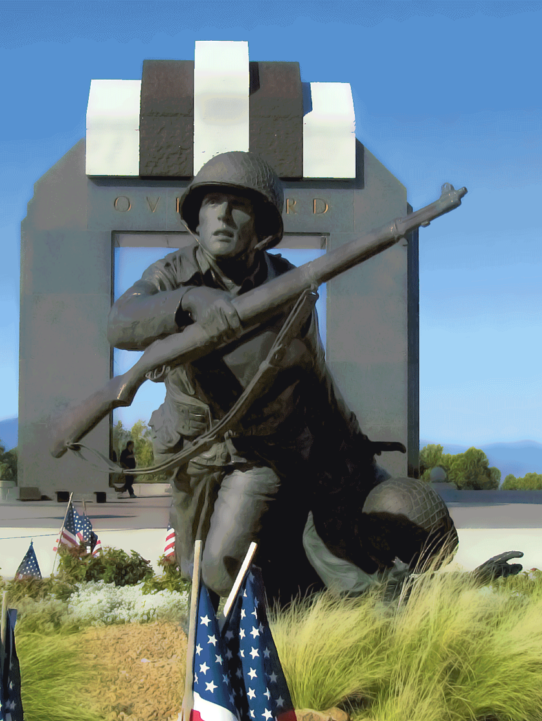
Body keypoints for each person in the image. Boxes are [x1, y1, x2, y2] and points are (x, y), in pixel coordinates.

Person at [106, 151, 382, 601]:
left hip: (259, 451)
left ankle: (252, 648)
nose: (223, 215)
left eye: (240, 206)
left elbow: (315, 371)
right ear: (196, 215)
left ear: (263, 227)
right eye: (212, 202)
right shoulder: (174, 273)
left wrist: (351, 440)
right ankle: (212, 647)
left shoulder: (290, 287)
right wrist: (188, 300)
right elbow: (120, 320)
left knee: (220, 562)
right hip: (191, 447)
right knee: (191, 566)